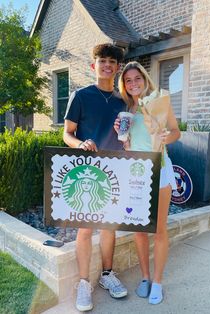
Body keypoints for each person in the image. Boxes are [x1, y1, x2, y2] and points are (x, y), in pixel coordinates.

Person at [63, 43, 128, 312]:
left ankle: (106, 275)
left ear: (117, 68)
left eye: (112, 62)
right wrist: (78, 144)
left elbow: (127, 139)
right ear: (94, 65)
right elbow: (66, 133)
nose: (107, 65)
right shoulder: (80, 96)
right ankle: (83, 284)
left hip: (114, 171)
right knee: (86, 229)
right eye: (102, 61)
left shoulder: (123, 101)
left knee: (109, 227)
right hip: (86, 171)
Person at [114, 61, 180, 305]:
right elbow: (127, 143)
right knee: (140, 229)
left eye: (137, 78)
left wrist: (166, 136)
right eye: (128, 81)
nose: (133, 84)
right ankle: (145, 277)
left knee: (159, 230)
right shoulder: (126, 110)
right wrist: (123, 138)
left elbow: (176, 131)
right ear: (124, 85)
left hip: (160, 170)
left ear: (144, 78)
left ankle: (159, 282)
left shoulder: (158, 102)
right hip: (135, 174)